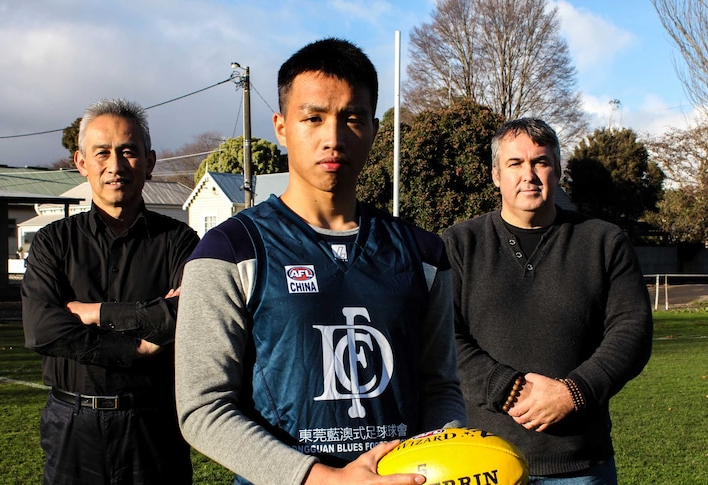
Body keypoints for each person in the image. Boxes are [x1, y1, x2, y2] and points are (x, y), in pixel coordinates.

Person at [175, 38, 466, 485]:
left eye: (352, 118)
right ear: (281, 127)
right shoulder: (229, 250)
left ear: (373, 128)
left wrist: (440, 461)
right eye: (313, 118)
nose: (333, 138)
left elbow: (441, 387)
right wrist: (321, 477)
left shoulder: (424, 254)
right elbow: (203, 407)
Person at [442, 118, 653, 484]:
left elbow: (632, 331)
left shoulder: (603, 242)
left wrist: (574, 392)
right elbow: (443, 334)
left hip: (581, 465)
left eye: (540, 162)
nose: (530, 175)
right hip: (483, 465)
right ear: (496, 175)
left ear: (557, 171)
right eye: (515, 164)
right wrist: (507, 388)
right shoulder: (459, 244)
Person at [22, 98, 198, 484]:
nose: (115, 166)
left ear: (149, 162)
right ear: (82, 162)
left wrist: (96, 312)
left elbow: (187, 316)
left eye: (128, 152)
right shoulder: (54, 242)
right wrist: (135, 346)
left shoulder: (180, 242)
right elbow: (42, 329)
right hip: (72, 422)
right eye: (102, 153)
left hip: (153, 422)